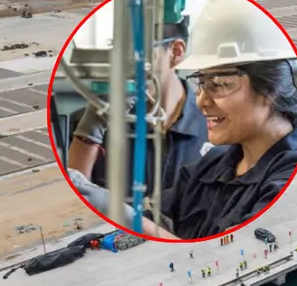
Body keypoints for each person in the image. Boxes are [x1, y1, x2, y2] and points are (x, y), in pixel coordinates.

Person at [69, 0, 297, 240]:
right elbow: (159, 222)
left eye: (218, 84)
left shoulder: (289, 178)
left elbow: (225, 251)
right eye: (201, 83)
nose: (202, 101)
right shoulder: (212, 164)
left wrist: (120, 213)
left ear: (271, 88)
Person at [66, 19, 209, 196]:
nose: (128, 66)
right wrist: (91, 130)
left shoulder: (215, 124)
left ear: (176, 52)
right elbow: (71, 198)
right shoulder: (89, 123)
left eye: (140, 53)